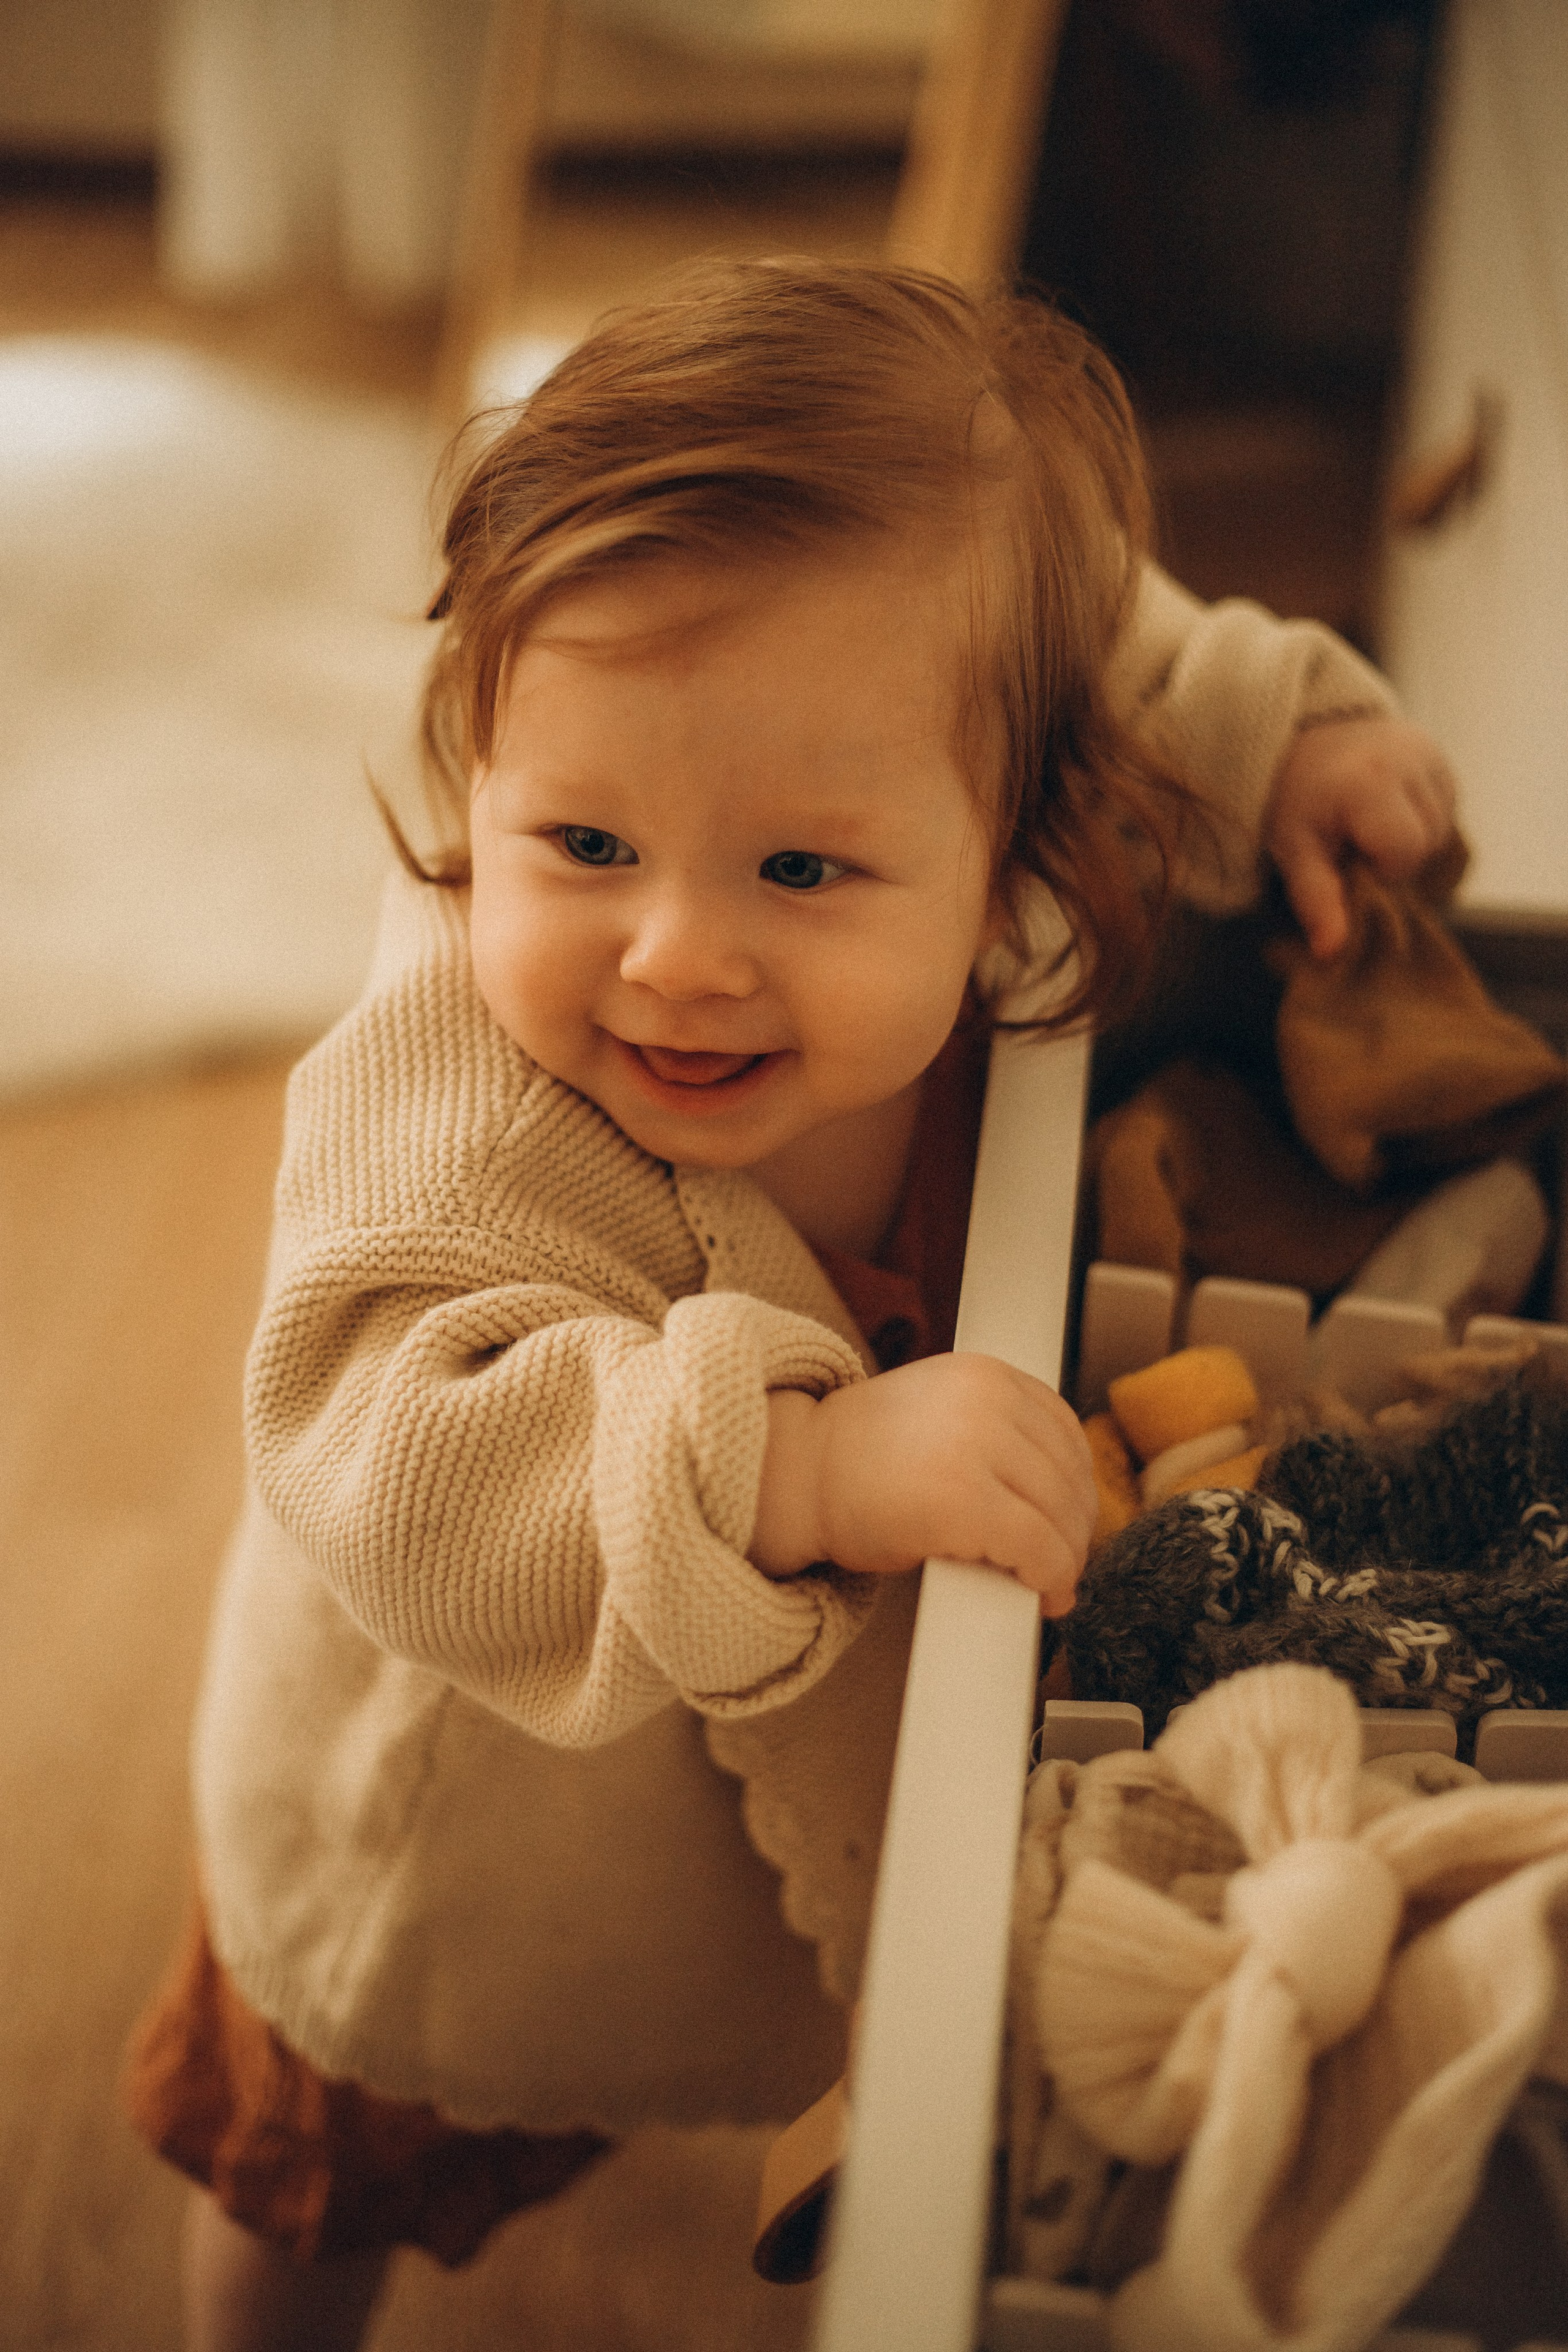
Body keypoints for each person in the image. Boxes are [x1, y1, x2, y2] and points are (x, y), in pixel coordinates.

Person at [123, 258, 1455, 2350]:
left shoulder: (987, 688)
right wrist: (800, 1458)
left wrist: (1284, 733)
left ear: (1012, 807)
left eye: (799, 876)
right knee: (316, 2155)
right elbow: (377, 1450)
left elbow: (1110, 630)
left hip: (711, 1821)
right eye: (581, 840)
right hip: (460, 1812)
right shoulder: (458, 1103)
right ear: (484, 759)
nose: (670, 955)